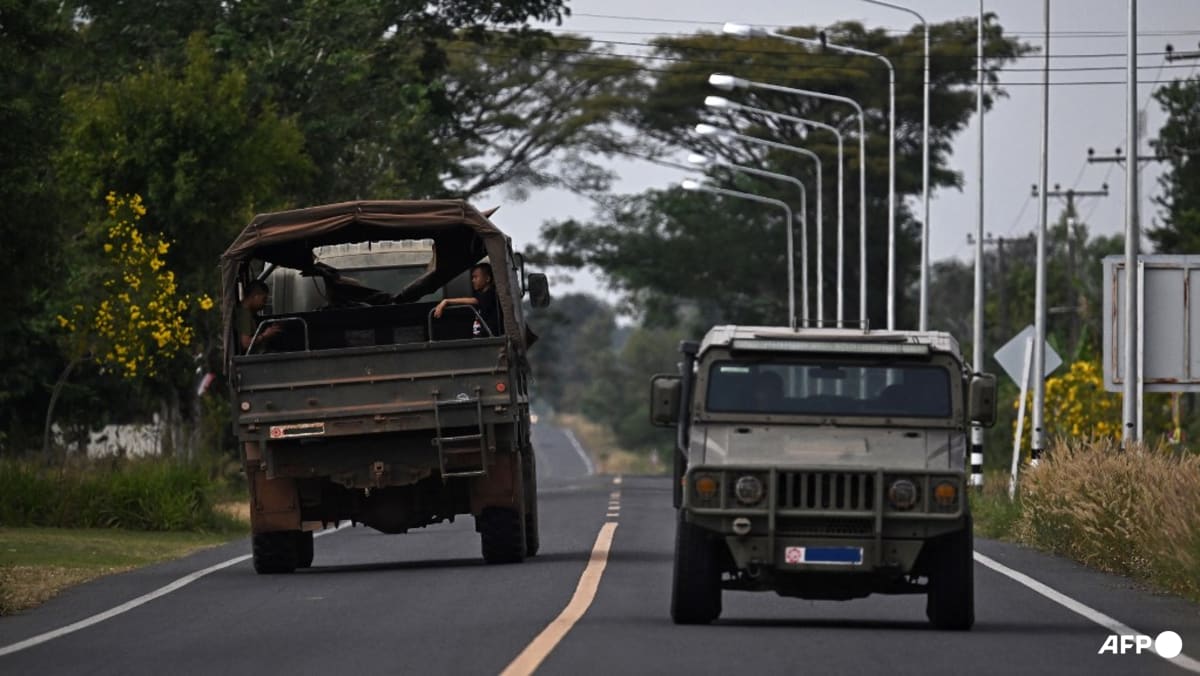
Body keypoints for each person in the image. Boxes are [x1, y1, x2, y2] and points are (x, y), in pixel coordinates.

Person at [432, 263, 504, 336]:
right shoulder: (480, 294)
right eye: (472, 277)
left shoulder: (491, 294)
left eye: (476, 277)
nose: (473, 280)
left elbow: (474, 300)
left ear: (487, 279)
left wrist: (446, 301)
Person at [237, 279, 282, 353]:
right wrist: (265, 335)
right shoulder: (243, 314)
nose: (264, 304)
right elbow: (245, 343)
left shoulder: (249, 312)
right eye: (263, 299)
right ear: (255, 296)